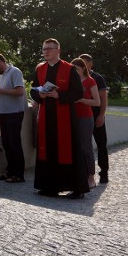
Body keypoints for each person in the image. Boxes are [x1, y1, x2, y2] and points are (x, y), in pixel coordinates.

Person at [29, 38, 89, 199]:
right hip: (46, 117)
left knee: (68, 150)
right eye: (43, 49)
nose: (46, 51)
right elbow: (33, 90)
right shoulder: (40, 69)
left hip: (65, 118)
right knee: (47, 150)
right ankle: (49, 187)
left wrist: (59, 95)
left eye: (49, 48)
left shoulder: (69, 69)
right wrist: (39, 94)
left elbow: (78, 93)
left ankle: (76, 188)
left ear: (58, 51)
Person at [0, 53, 28, 183]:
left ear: (1, 62)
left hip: (15, 112)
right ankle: (10, 171)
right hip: (5, 113)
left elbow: (20, 91)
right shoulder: (2, 75)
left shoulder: (15, 72)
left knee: (14, 143)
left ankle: (19, 174)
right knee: (6, 143)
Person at [80, 53, 109, 184]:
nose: (82, 66)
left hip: (96, 116)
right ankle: (86, 173)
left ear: (90, 64)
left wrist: (101, 115)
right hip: (83, 117)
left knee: (101, 145)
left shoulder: (97, 78)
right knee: (85, 146)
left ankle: (104, 173)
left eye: (84, 63)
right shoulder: (77, 77)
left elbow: (103, 99)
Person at [71, 57, 101, 189]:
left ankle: (91, 177)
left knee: (86, 147)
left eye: (76, 69)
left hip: (85, 118)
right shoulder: (72, 82)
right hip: (73, 117)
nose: (74, 72)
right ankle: (79, 175)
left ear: (83, 68)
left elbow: (97, 102)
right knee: (75, 148)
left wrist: (82, 100)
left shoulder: (90, 81)